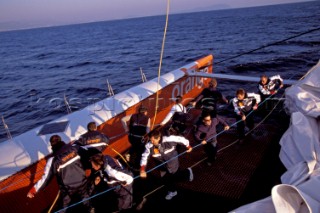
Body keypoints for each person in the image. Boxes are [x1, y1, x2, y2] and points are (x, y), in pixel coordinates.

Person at [27, 135, 94, 213]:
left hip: (67, 188)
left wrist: (33, 190)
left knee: (64, 205)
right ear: (61, 141)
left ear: (52, 146)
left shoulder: (53, 160)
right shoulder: (75, 148)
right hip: (82, 181)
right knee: (86, 199)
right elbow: (88, 154)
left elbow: (45, 179)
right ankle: (91, 209)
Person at [140, 130, 193, 200]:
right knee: (165, 178)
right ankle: (172, 191)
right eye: (150, 140)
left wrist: (188, 146)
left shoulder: (169, 139)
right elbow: (144, 157)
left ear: (158, 138)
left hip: (172, 160)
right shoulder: (149, 146)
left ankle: (187, 172)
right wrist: (142, 170)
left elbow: (181, 139)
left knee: (175, 175)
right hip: (161, 163)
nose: (152, 142)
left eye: (153, 140)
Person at [121, 105, 151, 171]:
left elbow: (122, 119)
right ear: (145, 112)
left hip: (131, 137)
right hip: (140, 139)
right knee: (140, 151)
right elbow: (148, 131)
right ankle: (137, 165)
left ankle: (129, 155)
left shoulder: (132, 116)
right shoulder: (147, 118)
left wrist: (126, 130)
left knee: (134, 146)